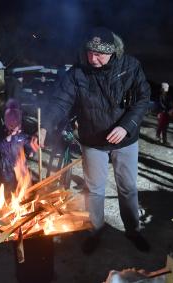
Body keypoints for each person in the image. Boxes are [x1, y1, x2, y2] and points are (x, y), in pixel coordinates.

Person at [38, 27, 151, 253]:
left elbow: (143, 99)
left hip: (125, 139)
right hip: (92, 139)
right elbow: (61, 101)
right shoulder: (77, 73)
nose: (93, 58)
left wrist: (126, 126)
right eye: (90, 52)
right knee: (94, 189)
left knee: (127, 187)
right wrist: (44, 126)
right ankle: (95, 230)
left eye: (99, 54)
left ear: (113, 52)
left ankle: (133, 230)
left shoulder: (130, 66)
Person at [0, 99, 38, 192]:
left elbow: (27, 143)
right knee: (8, 185)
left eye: (17, 126)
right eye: (12, 126)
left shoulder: (21, 135)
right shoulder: (2, 133)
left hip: (20, 163)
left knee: (20, 183)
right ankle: (8, 201)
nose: (16, 129)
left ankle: (19, 199)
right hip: (6, 166)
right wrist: (7, 139)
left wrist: (31, 150)